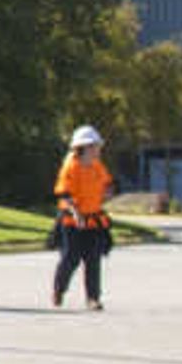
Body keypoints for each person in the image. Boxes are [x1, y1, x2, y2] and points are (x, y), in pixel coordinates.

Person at [51, 124, 115, 309]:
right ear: (83, 147)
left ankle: (92, 298)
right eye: (94, 146)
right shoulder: (70, 167)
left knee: (93, 259)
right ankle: (59, 289)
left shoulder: (97, 166)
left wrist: (108, 192)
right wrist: (76, 214)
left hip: (93, 219)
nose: (98, 150)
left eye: (98, 146)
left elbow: (108, 183)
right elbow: (64, 194)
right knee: (71, 257)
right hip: (72, 219)